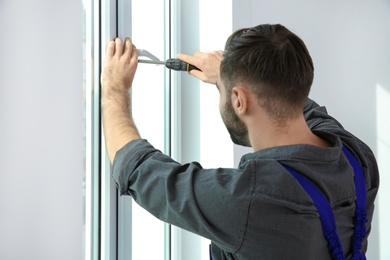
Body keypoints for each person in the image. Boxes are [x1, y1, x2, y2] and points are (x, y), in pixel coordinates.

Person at [101, 24, 379, 259]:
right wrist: (234, 75)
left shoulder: (249, 200)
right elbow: (298, 102)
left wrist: (115, 87)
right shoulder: (358, 157)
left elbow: (137, 169)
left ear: (238, 100)